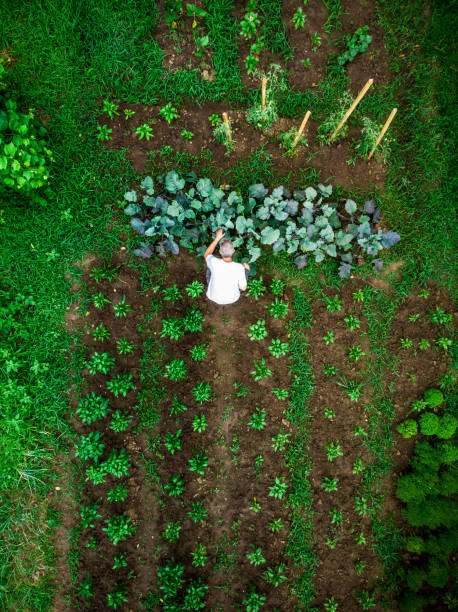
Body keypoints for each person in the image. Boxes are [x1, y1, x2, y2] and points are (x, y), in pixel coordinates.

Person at [204, 228, 250, 305]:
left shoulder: (214, 262)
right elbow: (243, 288)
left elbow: (207, 254)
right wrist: (246, 268)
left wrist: (217, 238)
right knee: (246, 266)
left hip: (212, 296)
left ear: (220, 252)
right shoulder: (239, 268)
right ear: (234, 251)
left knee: (209, 264)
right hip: (232, 298)